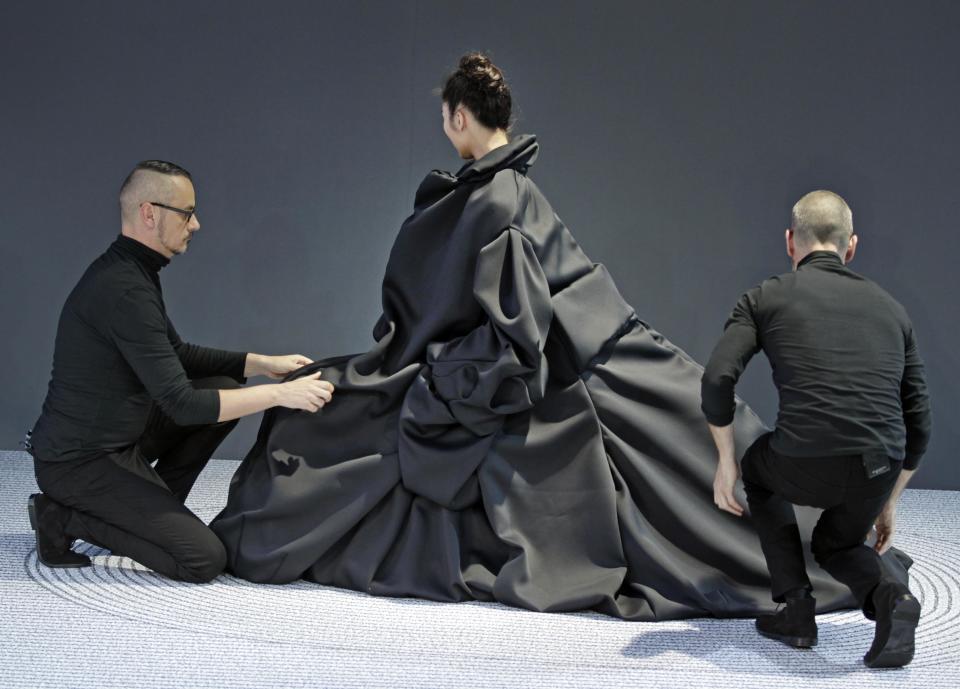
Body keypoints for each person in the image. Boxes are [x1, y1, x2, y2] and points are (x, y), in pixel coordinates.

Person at [211, 54, 864, 619]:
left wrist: (445, 380)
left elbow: (515, 328)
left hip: (530, 367)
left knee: (342, 422)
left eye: (445, 116)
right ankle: (817, 535)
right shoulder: (513, 190)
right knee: (683, 452)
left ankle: (801, 545)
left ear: (459, 117)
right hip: (587, 350)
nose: (444, 126)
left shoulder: (493, 198)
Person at [27, 160, 334, 582]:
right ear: (150, 213)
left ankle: (147, 514)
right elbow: (183, 404)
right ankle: (62, 518)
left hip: (120, 436)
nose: (197, 224)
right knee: (202, 559)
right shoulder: (123, 289)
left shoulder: (135, 272)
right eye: (187, 213)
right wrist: (279, 395)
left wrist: (260, 364)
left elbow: (176, 353)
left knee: (225, 388)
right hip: (78, 462)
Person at [701, 190, 932, 666]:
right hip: (878, 465)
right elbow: (920, 422)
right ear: (851, 247)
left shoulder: (764, 297)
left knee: (757, 471)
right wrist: (889, 497)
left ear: (790, 242)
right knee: (838, 543)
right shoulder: (892, 309)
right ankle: (893, 600)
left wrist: (725, 463)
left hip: (803, 459)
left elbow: (717, 377)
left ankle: (796, 608)